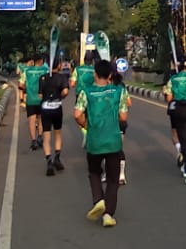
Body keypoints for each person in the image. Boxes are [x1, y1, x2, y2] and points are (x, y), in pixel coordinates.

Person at [76, 58, 130, 227]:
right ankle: (108, 214)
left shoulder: (86, 92)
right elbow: (123, 117)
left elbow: (77, 114)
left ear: (95, 74)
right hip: (113, 140)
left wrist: (86, 124)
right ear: (110, 75)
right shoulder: (118, 92)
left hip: (94, 140)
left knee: (94, 172)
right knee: (113, 179)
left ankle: (98, 199)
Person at [38, 61, 69, 176]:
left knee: (46, 135)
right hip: (57, 108)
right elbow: (65, 91)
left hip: (45, 109)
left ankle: (48, 161)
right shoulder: (62, 77)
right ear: (59, 66)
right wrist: (60, 97)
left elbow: (40, 95)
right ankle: (57, 157)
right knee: (57, 134)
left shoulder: (43, 78)